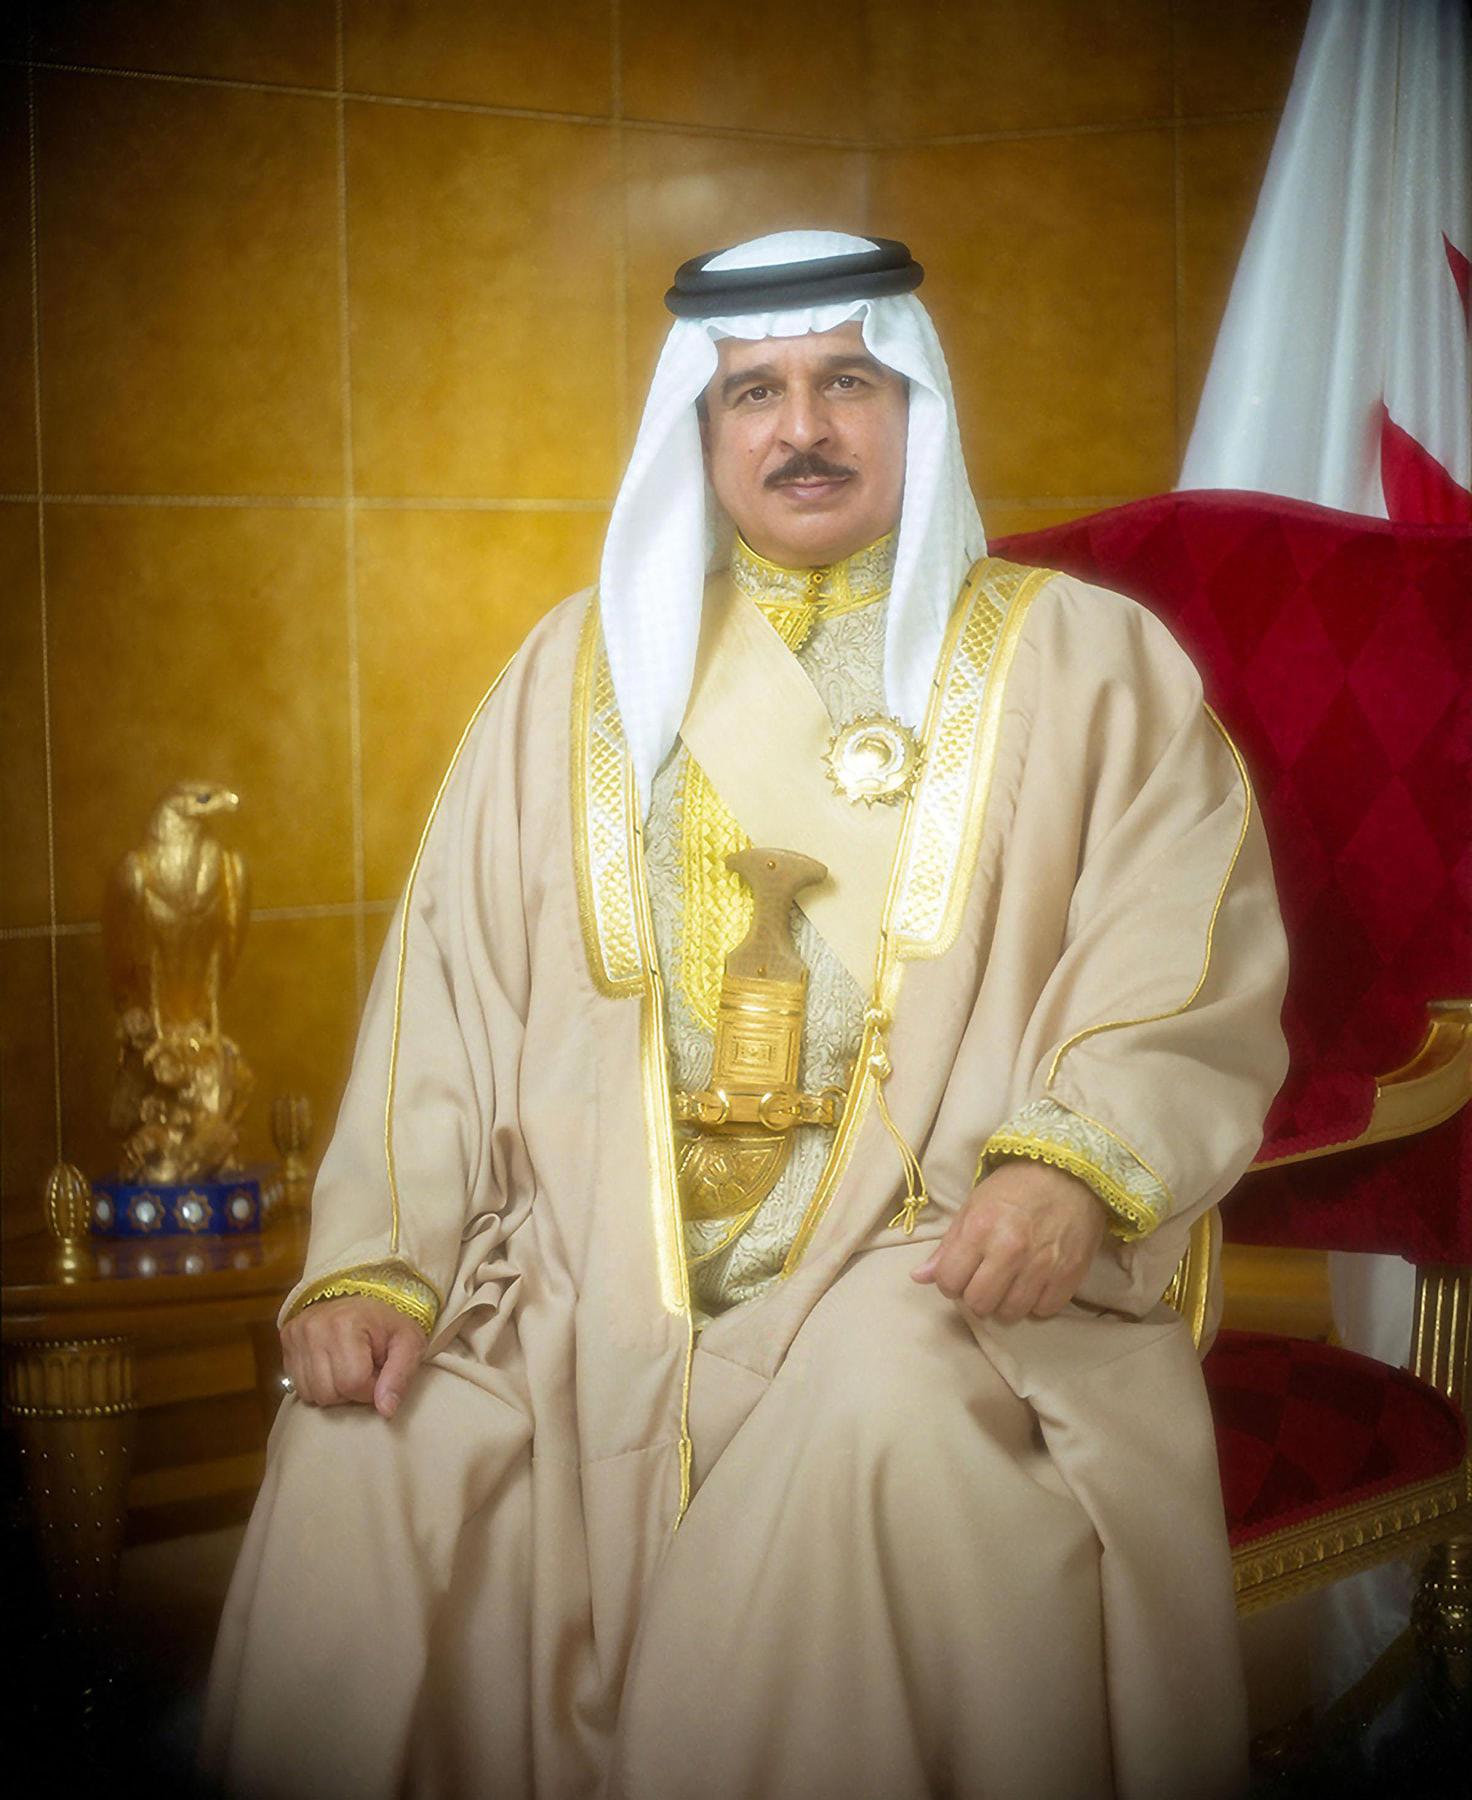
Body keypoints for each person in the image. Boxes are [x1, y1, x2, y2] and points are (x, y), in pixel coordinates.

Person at [201, 231, 1290, 1799]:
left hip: (931, 1258)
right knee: (368, 1445)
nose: (804, 430)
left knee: (883, 1423)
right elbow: (441, 999)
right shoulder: (573, 677)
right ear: (700, 433)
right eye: (755, 394)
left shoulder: (1080, 659)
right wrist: (383, 1259)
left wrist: (1068, 1166)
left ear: (912, 408)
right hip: (583, 1272)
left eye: (847, 383)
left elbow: (1179, 948)